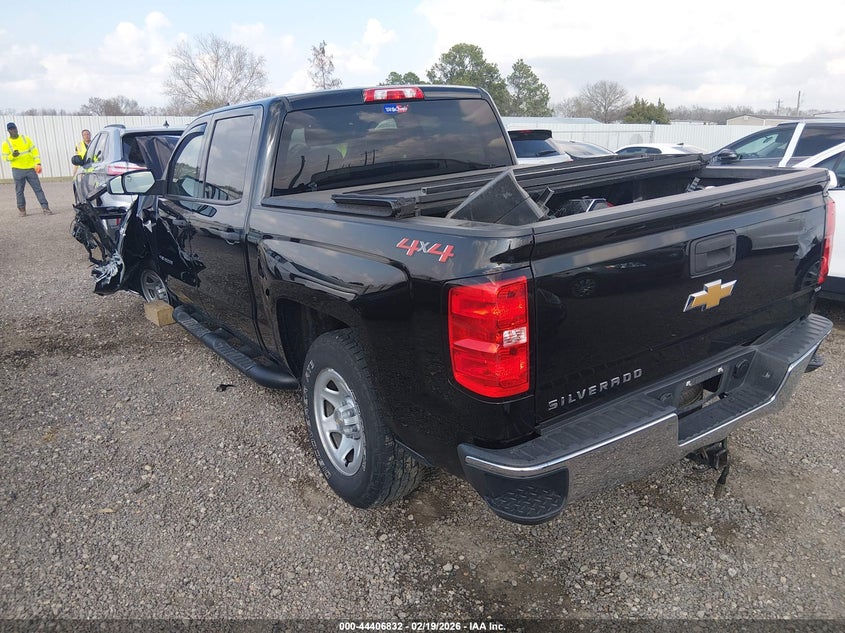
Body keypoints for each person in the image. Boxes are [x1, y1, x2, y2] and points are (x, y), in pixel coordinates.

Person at [2, 122, 51, 217]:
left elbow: (34, 151)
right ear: (8, 131)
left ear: (16, 128)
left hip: (30, 169)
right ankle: (22, 210)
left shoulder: (26, 139)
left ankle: (46, 208)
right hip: (17, 170)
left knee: (38, 189)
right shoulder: (6, 143)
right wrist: (13, 155)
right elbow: (5, 158)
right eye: (11, 129)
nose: (13, 130)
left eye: (14, 128)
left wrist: (38, 163)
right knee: (19, 191)